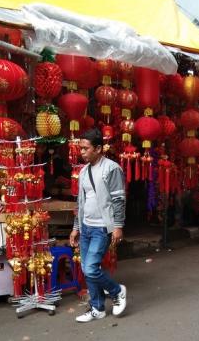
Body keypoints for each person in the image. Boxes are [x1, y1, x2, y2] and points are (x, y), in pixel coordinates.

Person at [70, 129, 127, 323]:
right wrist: (76, 227)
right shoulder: (84, 171)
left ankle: (117, 291)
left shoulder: (112, 169)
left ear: (99, 148)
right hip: (86, 227)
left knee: (92, 268)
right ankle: (98, 308)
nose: (82, 152)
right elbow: (80, 202)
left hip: (102, 227)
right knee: (87, 269)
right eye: (81, 148)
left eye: (86, 149)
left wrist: (118, 225)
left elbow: (119, 199)